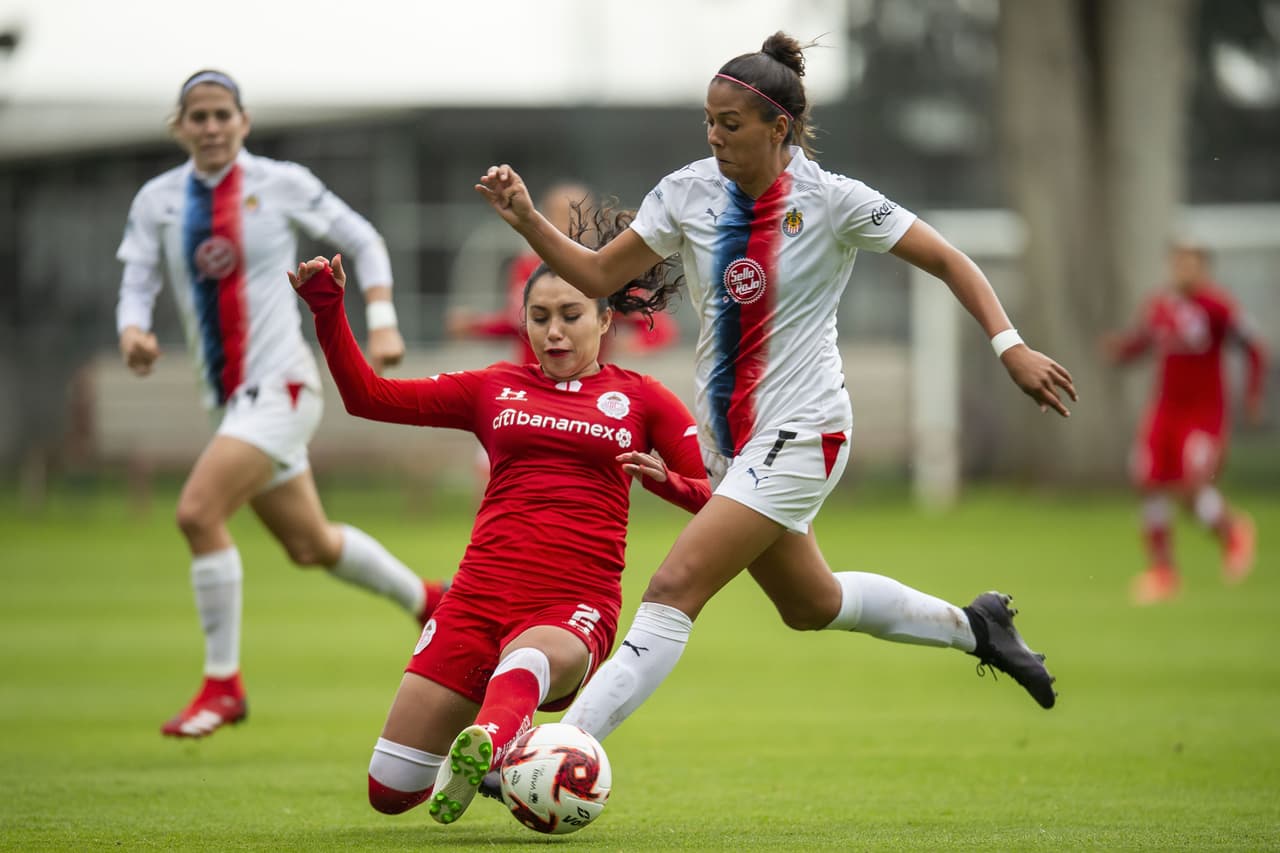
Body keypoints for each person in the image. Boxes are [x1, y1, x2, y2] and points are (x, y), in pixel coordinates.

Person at [475, 32, 1078, 753]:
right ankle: (979, 627)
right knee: (810, 602)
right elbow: (602, 276)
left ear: (778, 127)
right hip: (737, 443)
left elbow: (949, 259)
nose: (715, 136)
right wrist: (526, 220)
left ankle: (553, 747)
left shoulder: (833, 201)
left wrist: (1009, 345)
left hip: (806, 429)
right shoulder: (687, 191)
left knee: (673, 586)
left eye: (730, 124)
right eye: (708, 121)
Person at [287, 204, 708, 826]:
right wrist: (327, 310)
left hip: (571, 603)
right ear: (525, 322)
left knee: (527, 662)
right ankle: (493, 763)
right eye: (540, 317)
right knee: (390, 790)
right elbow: (367, 397)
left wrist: (666, 481)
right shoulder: (494, 386)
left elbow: (719, 495)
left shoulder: (644, 399)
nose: (555, 332)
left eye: (570, 315)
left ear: (604, 317)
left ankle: (490, 738)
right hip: (476, 599)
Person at [115, 69, 447, 739]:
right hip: (230, 403)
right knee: (311, 544)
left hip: (285, 386)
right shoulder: (158, 199)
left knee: (197, 511)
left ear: (243, 120)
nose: (210, 127)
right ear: (179, 126)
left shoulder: (280, 183)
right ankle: (428, 600)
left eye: (221, 114)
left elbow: (365, 239)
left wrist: (381, 318)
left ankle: (222, 685)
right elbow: (137, 279)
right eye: (197, 116)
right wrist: (132, 331)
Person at [1102, 240, 1267, 604]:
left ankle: (1232, 530)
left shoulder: (1218, 307)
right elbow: (1143, 343)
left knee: (1190, 488)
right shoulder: (1160, 306)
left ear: (1203, 267)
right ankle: (1163, 572)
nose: (1181, 270)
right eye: (1177, 263)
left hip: (1204, 413)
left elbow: (1256, 348)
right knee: (1149, 482)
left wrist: (1254, 396)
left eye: (1189, 264)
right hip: (1164, 409)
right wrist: (1120, 351)